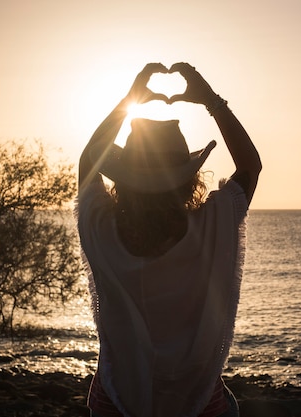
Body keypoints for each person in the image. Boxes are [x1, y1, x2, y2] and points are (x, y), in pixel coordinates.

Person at [77, 62, 261, 417]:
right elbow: (250, 166)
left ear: (123, 178)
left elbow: (87, 162)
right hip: (196, 400)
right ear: (188, 180)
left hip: (116, 399)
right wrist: (211, 101)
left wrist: (129, 101)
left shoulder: (102, 230)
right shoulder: (211, 225)